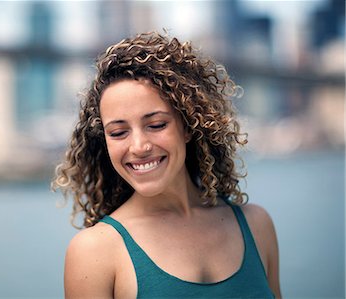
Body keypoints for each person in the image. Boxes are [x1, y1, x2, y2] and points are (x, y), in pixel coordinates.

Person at [52, 32, 281, 298]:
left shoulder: (257, 225)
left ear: (187, 126)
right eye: (118, 132)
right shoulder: (94, 252)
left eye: (157, 125)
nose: (138, 147)